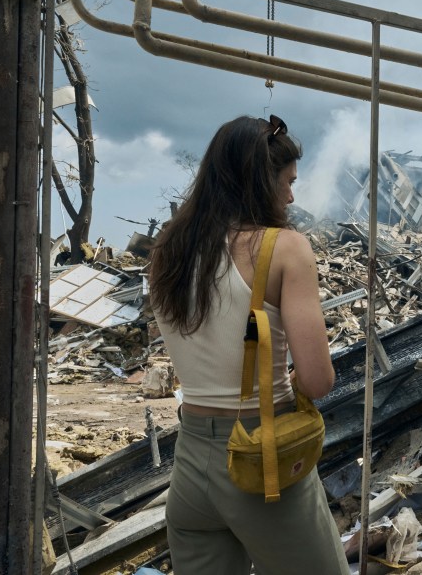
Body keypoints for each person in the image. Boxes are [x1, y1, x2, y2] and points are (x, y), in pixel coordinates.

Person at [149, 115, 350, 575]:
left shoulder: (167, 251)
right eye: (287, 181)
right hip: (261, 464)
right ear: (261, 181)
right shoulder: (284, 248)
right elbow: (318, 381)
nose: (292, 195)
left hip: (191, 463)